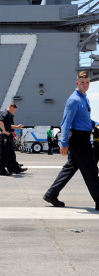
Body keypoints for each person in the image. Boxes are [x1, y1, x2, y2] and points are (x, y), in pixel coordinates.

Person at [43, 71, 99, 210]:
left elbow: (84, 120)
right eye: (82, 83)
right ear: (77, 83)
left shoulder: (84, 98)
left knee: (71, 167)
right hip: (78, 138)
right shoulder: (74, 100)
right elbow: (66, 123)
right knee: (91, 169)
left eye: (87, 83)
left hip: (82, 136)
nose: (85, 85)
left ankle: (51, 194)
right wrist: (64, 143)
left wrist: (96, 124)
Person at [0, 103, 27, 176]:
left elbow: (8, 125)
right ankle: (2, 170)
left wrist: (17, 127)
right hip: (3, 136)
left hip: (6, 136)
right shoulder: (5, 114)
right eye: (14, 110)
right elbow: (0, 122)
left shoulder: (8, 115)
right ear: (11, 107)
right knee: (3, 154)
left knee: (11, 153)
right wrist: (4, 131)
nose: (14, 112)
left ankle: (14, 169)